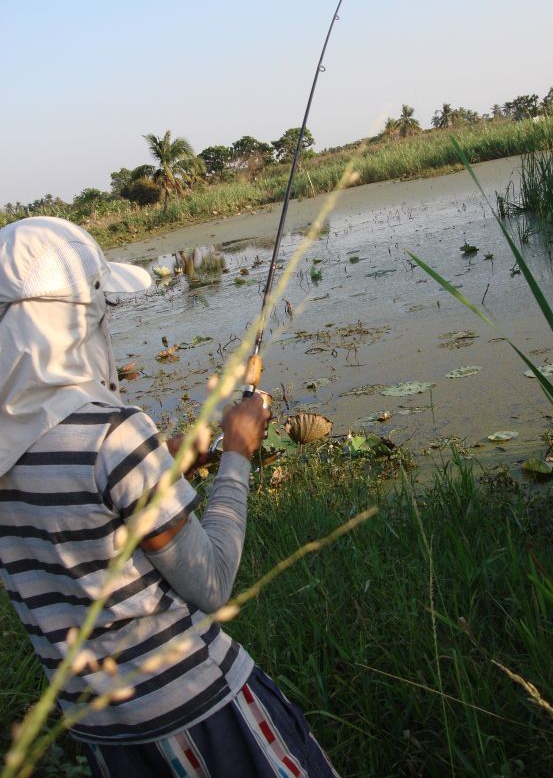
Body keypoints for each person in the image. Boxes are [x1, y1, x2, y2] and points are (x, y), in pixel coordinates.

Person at [0, 216, 339, 778]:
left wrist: (172, 454)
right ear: (76, 321)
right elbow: (212, 581)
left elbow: (81, 499)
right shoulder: (113, 435)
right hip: (198, 712)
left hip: (104, 734)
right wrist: (237, 452)